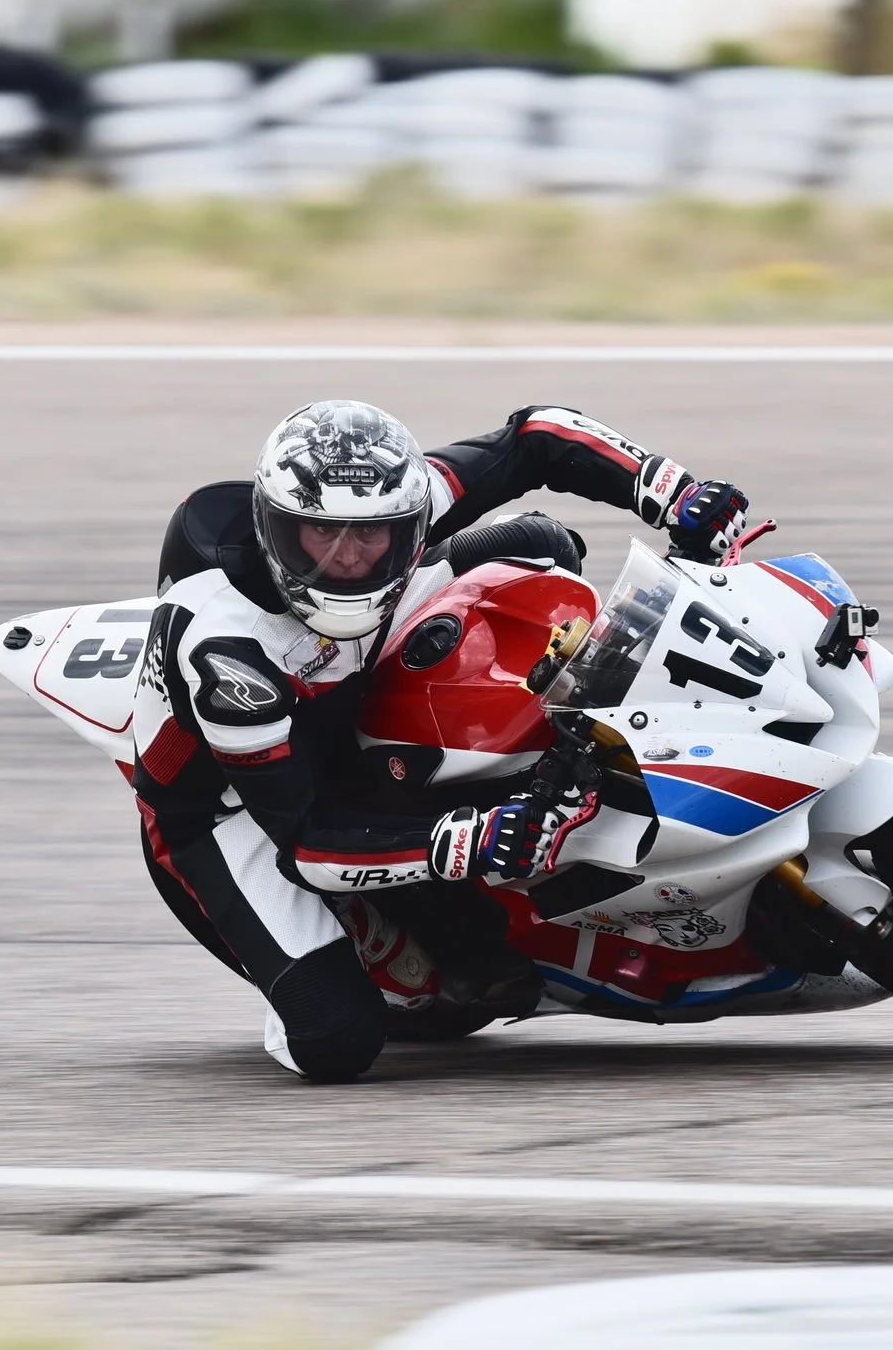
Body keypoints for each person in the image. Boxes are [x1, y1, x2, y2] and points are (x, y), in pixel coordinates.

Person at [130, 400, 753, 1084]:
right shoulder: (228, 653)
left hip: (348, 685)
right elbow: (306, 837)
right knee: (335, 1038)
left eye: (374, 537)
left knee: (546, 546)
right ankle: (338, 953)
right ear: (273, 525)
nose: (347, 560)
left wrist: (669, 489)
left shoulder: (406, 496)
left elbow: (535, 438)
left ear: (409, 517)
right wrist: (471, 837)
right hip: (232, 805)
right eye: (319, 534)